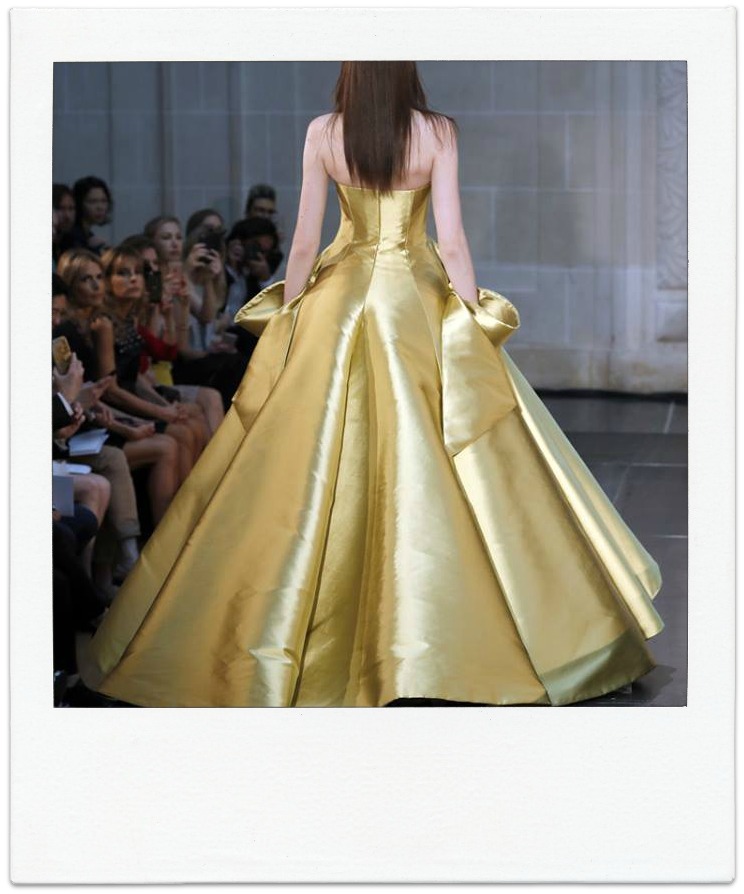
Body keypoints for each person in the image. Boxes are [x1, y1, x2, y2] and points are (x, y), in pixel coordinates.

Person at [83, 61, 664, 708]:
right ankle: (466, 639)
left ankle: (284, 639)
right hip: (410, 300)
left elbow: (304, 243)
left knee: (310, 459)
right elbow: (453, 241)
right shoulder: (437, 132)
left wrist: (289, 318)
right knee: (435, 447)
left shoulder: (324, 132)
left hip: (336, 303)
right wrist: (471, 321)